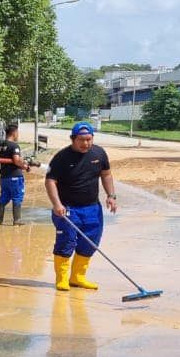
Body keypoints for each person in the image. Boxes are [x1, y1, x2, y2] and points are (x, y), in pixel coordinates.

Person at [44, 121, 118, 292]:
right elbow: (50, 181)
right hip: (67, 208)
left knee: (91, 242)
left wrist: (111, 196)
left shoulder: (99, 153)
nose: (86, 143)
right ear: (73, 139)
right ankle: (62, 279)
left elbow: (106, 174)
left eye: (89, 139)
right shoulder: (62, 158)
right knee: (66, 241)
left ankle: (77, 277)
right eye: (81, 140)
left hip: (92, 208)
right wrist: (57, 204)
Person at [0, 122, 30, 225]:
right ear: (14, 133)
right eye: (17, 133)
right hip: (15, 177)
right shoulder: (14, 145)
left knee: (4, 197)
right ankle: (17, 220)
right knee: (17, 196)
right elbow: (16, 160)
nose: (18, 135)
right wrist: (25, 166)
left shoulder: (1, 145)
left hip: (4, 177)